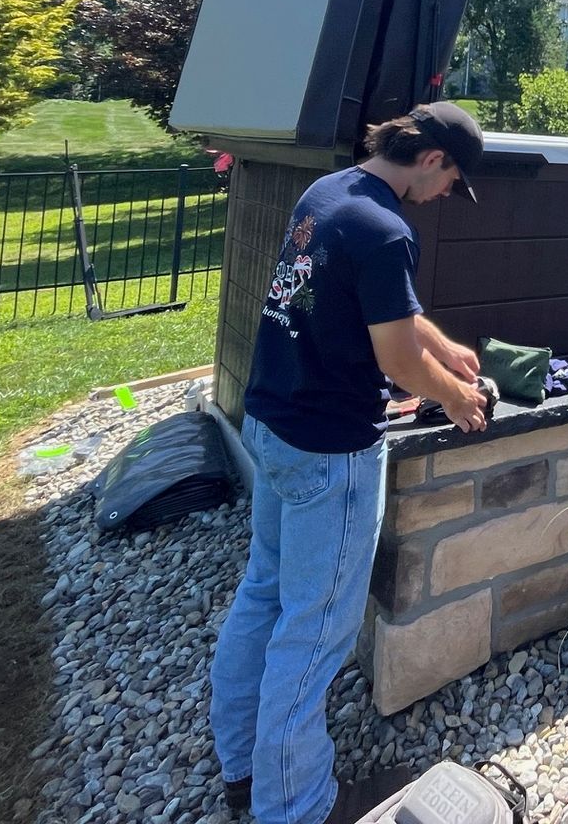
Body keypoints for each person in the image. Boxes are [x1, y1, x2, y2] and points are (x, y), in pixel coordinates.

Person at [209, 102, 491, 824]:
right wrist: (460, 396)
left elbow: (377, 308)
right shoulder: (388, 229)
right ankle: (294, 809)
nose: (444, 198)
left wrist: (443, 344)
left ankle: (243, 767)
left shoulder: (330, 196)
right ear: (432, 159)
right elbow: (394, 357)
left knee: (264, 596)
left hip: (271, 424)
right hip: (329, 452)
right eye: (451, 181)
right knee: (314, 634)